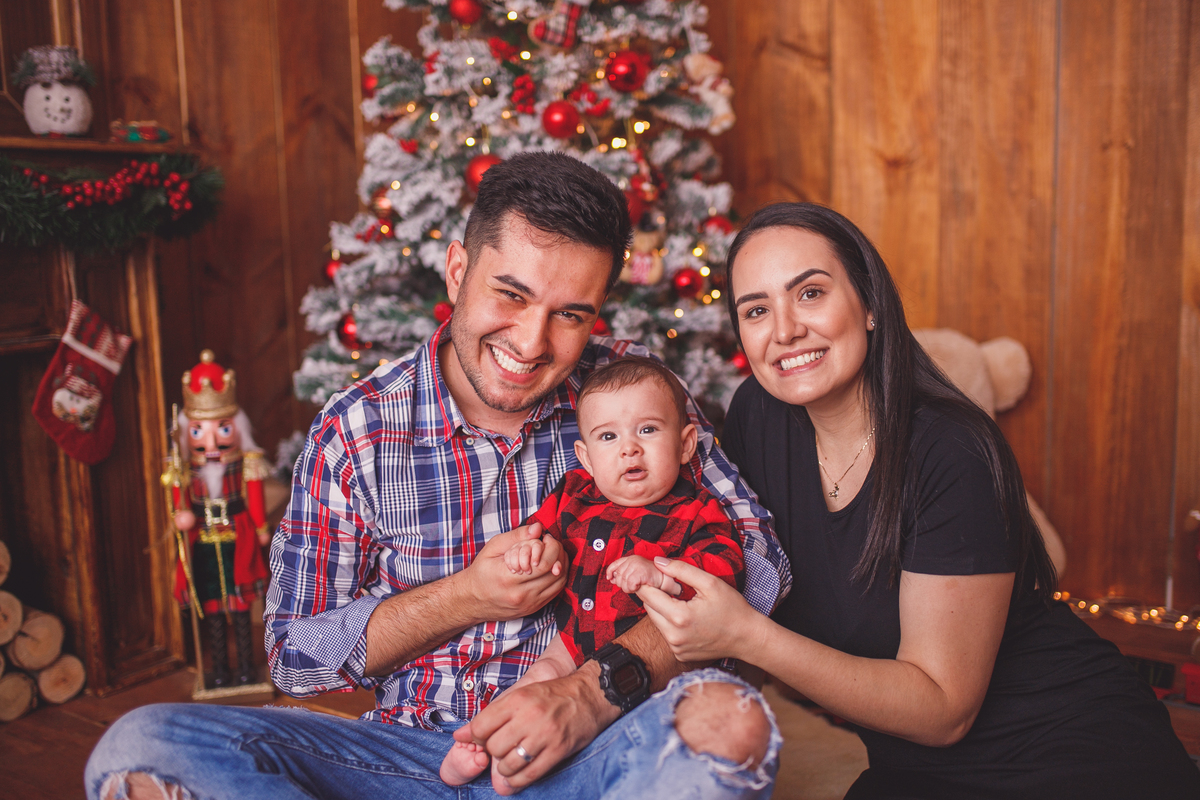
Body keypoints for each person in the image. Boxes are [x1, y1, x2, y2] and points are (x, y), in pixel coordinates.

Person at [84, 152, 788, 800]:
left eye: (570, 315)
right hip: (412, 759)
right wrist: (464, 597)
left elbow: (758, 563)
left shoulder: (635, 394)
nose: (531, 342)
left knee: (729, 723)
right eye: (510, 294)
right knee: (143, 747)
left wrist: (589, 694)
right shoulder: (358, 428)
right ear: (457, 270)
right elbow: (296, 657)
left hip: (596, 751)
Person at [637, 202, 1200, 799]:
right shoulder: (757, 416)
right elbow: (701, 547)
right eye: (756, 309)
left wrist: (746, 635)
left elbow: (942, 710)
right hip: (914, 772)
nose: (784, 330)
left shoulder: (952, 451)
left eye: (810, 294)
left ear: (872, 305)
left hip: (1072, 756)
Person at [441, 356, 745, 785]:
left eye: (648, 429)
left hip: (651, 661)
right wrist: (527, 552)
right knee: (537, 681)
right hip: (571, 642)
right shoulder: (575, 496)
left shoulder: (697, 512)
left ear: (685, 444)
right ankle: (481, 739)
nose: (629, 448)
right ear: (585, 455)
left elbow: (725, 569)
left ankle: (526, 771)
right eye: (608, 436)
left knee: (654, 732)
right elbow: (535, 532)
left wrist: (661, 575)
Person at [168, 349, 272, 688]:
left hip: (236, 537)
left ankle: (245, 665)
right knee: (213, 607)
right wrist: (180, 517)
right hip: (203, 542)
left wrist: (259, 527)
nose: (211, 442)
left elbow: (253, 495)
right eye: (199, 432)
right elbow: (177, 504)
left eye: (222, 429)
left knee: (240, 605)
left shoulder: (244, 464)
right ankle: (220, 670)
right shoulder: (184, 472)